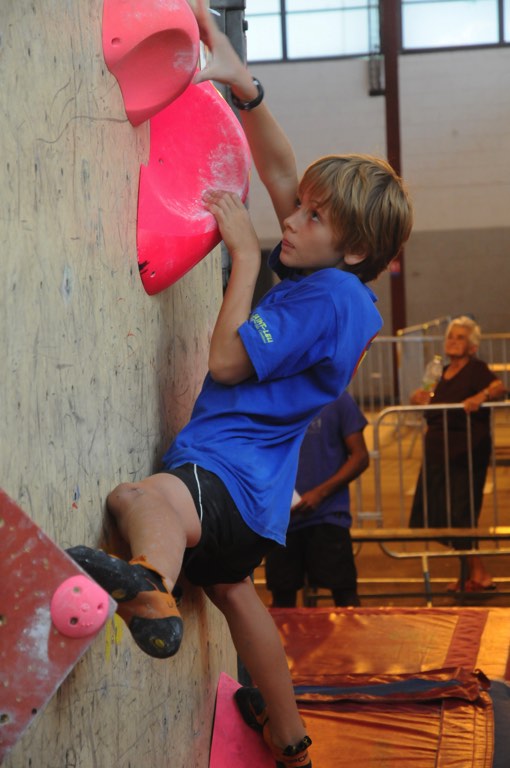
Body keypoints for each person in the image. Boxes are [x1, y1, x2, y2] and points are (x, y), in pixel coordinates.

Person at [68, 3, 413, 766]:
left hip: (224, 478)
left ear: (353, 248)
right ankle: (289, 737)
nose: (293, 217)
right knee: (233, 591)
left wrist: (246, 262)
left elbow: (225, 362)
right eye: (304, 210)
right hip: (255, 506)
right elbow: (283, 173)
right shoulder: (341, 286)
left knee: (141, 498)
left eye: (313, 217)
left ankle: (150, 585)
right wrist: (244, 88)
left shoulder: (323, 299)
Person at [409, 316, 506, 592]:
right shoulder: (440, 372)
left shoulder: (476, 369)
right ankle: (468, 574)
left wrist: (481, 396)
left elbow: (498, 387)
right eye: (451, 336)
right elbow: (426, 396)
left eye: (460, 337)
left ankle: (479, 573)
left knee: (461, 514)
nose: (452, 340)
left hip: (465, 453)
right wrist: (418, 398)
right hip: (437, 453)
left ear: (472, 346)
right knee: (435, 514)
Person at [266, 391, 369, 608]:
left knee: (345, 596)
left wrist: (320, 493)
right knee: (282, 600)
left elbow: (360, 456)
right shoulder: (273, 398)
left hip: (327, 516)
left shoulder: (337, 398)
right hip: (281, 520)